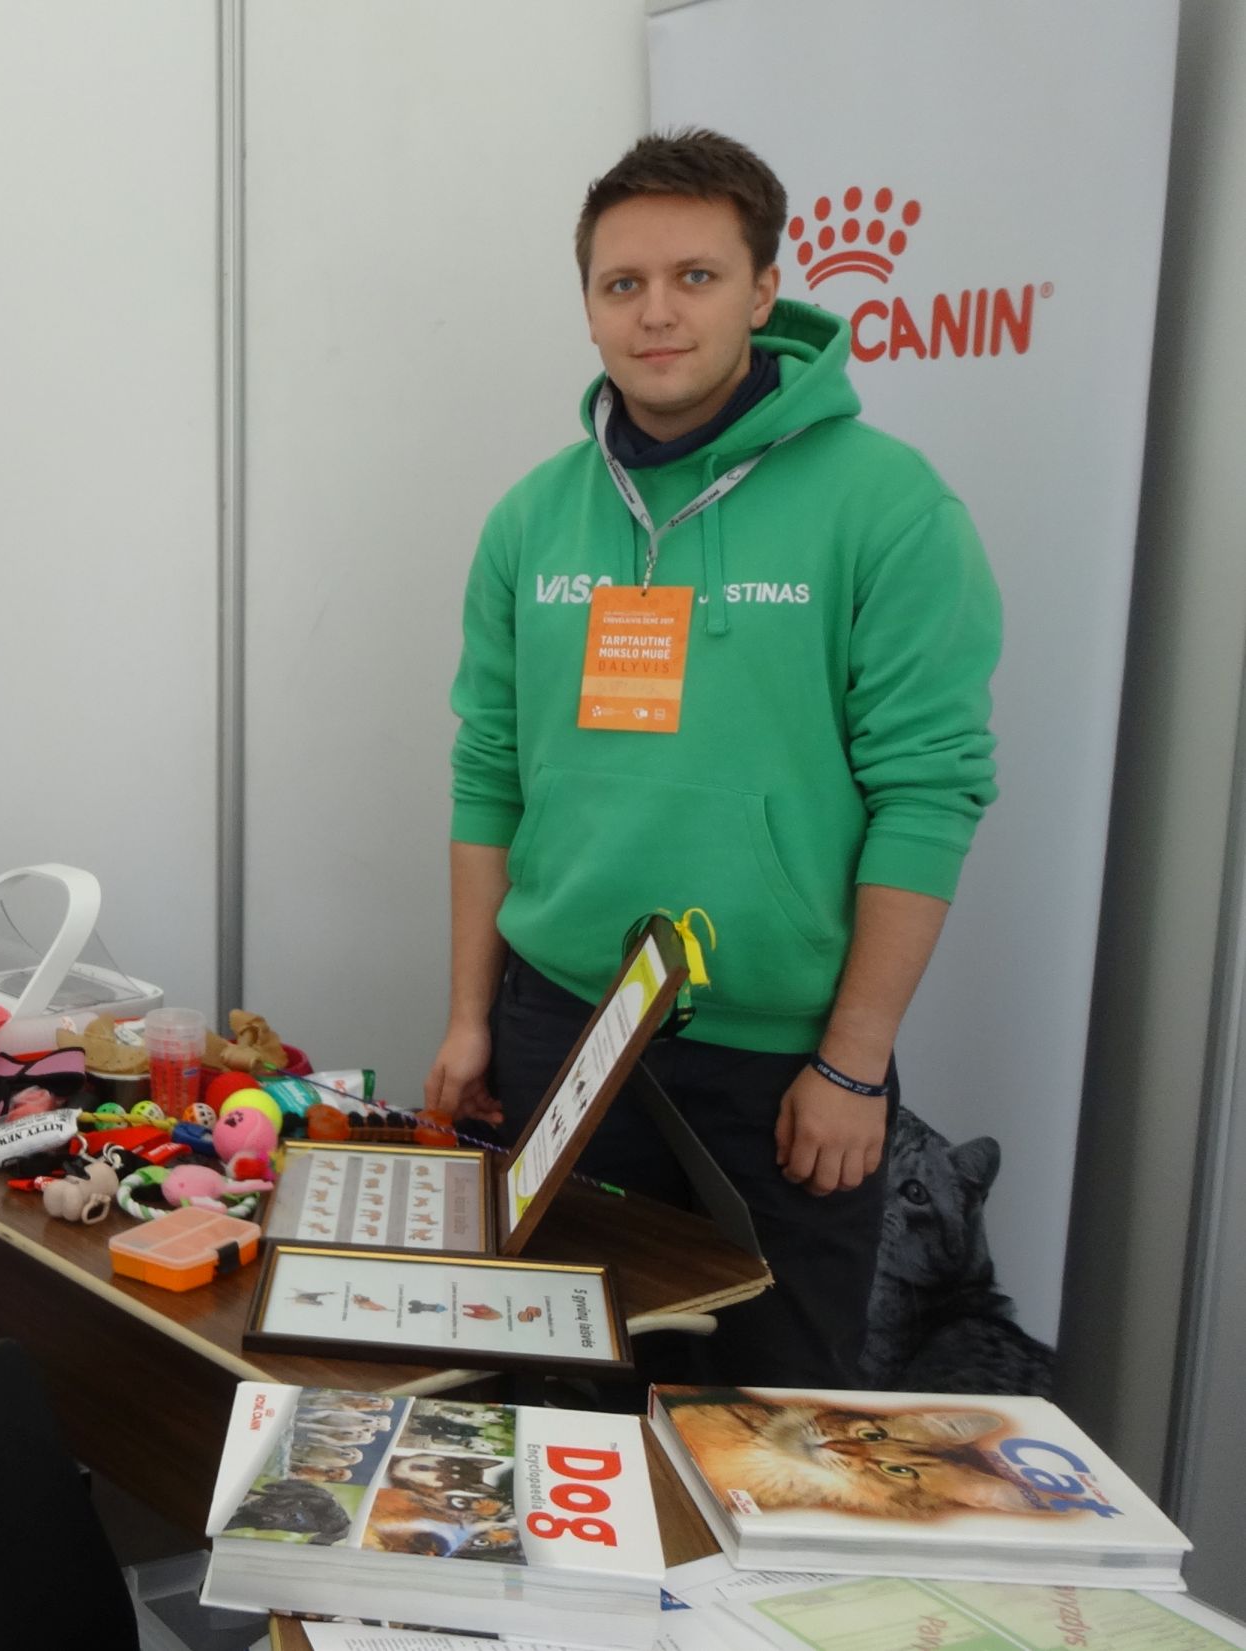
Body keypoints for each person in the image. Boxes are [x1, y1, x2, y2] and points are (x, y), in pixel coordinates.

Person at [423, 130, 1001, 1386]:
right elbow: (489, 774)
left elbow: (928, 790)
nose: (656, 313)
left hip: (782, 1061)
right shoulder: (532, 516)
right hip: (562, 1028)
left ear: (762, 289)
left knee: (769, 1417)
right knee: (554, 1395)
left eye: (694, 276)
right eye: (621, 283)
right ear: (587, 305)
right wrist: (470, 1018)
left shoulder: (887, 505)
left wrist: (851, 1061)